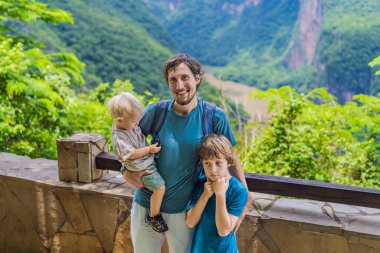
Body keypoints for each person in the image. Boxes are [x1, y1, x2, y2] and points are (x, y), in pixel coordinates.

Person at [123, 53, 251, 253]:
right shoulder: (156, 113)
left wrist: (245, 193)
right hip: (147, 204)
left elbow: (230, 157)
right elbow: (125, 142)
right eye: (173, 80)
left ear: (197, 79)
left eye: (185, 78)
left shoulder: (213, 116)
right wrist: (126, 172)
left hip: (185, 211)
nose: (179, 86)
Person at [108, 92, 168, 233]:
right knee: (160, 189)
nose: (137, 124)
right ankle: (154, 216)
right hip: (142, 167)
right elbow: (132, 154)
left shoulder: (127, 126)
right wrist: (149, 149)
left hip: (145, 162)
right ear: (119, 120)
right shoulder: (120, 138)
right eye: (134, 122)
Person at [186, 134, 248, 253]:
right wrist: (205, 195)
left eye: (218, 162)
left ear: (228, 161)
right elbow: (190, 222)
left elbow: (223, 231)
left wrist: (220, 195)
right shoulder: (200, 183)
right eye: (207, 163)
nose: (213, 170)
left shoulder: (239, 191)